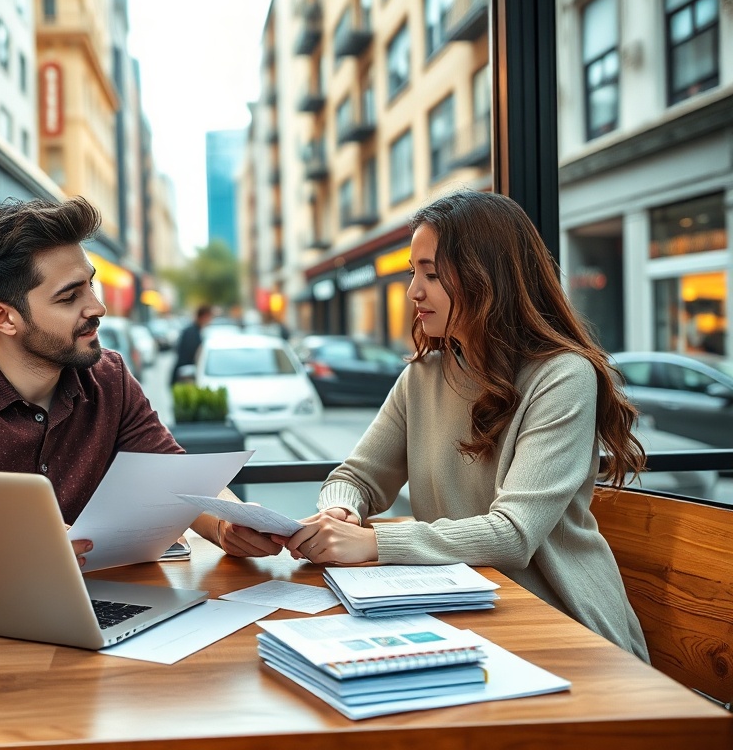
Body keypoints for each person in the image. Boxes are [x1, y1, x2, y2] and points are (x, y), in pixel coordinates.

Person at [0, 197, 279, 646]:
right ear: (4, 318)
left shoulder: (107, 377)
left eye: (90, 285)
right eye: (70, 296)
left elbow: (176, 476)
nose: (97, 307)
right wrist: (26, 544)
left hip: (60, 619)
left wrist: (228, 523)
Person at [277, 190, 650, 661]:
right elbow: (356, 478)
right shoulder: (424, 374)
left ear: (487, 278)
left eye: (431, 274)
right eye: (414, 273)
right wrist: (341, 512)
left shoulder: (562, 377)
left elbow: (513, 535)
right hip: (462, 613)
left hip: (565, 628)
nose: (414, 291)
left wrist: (372, 542)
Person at [170, 303, 213, 386]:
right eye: (209, 317)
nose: (210, 320)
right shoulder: (191, 333)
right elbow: (188, 357)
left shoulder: (194, 331)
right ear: (204, 316)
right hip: (185, 378)